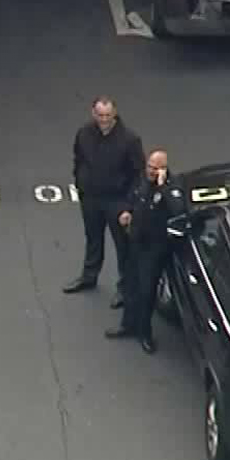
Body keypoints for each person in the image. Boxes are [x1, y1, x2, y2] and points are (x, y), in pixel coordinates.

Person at [63, 97, 146, 308]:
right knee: (93, 238)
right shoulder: (84, 133)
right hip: (91, 197)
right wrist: (80, 184)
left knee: (123, 246)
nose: (104, 120)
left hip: (116, 200)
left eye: (108, 115)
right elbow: (78, 159)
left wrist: (129, 205)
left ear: (115, 113)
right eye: (100, 115)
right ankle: (89, 276)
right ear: (93, 113)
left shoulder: (130, 140)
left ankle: (124, 288)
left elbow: (138, 174)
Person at [107, 149, 188, 353]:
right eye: (150, 167)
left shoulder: (173, 187)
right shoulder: (141, 180)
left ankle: (145, 332)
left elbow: (178, 210)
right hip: (135, 241)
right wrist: (125, 211)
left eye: (156, 168)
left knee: (146, 291)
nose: (151, 171)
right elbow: (130, 197)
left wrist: (163, 188)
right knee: (130, 285)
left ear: (164, 168)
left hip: (154, 248)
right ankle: (127, 324)